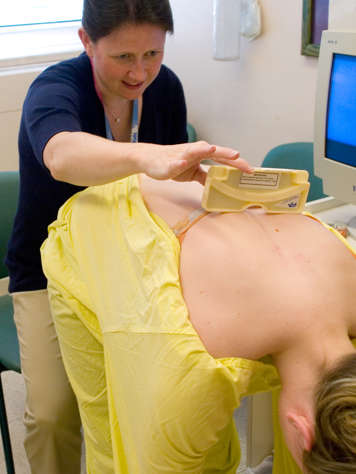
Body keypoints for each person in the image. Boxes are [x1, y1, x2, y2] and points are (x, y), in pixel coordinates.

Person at [4, 1, 252, 472]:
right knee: (55, 414)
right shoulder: (55, 88)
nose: (140, 72)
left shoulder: (166, 88)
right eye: (123, 58)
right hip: (47, 275)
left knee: (159, 397)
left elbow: (171, 191)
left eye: (153, 54)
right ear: (86, 41)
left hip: (131, 266)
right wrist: (145, 158)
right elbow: (61, 154)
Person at [41, 170, 356, 473]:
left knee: (203, 440)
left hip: (195, 208)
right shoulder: (185, 372)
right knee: (115, 440)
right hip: (94, 221)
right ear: (303, 432)